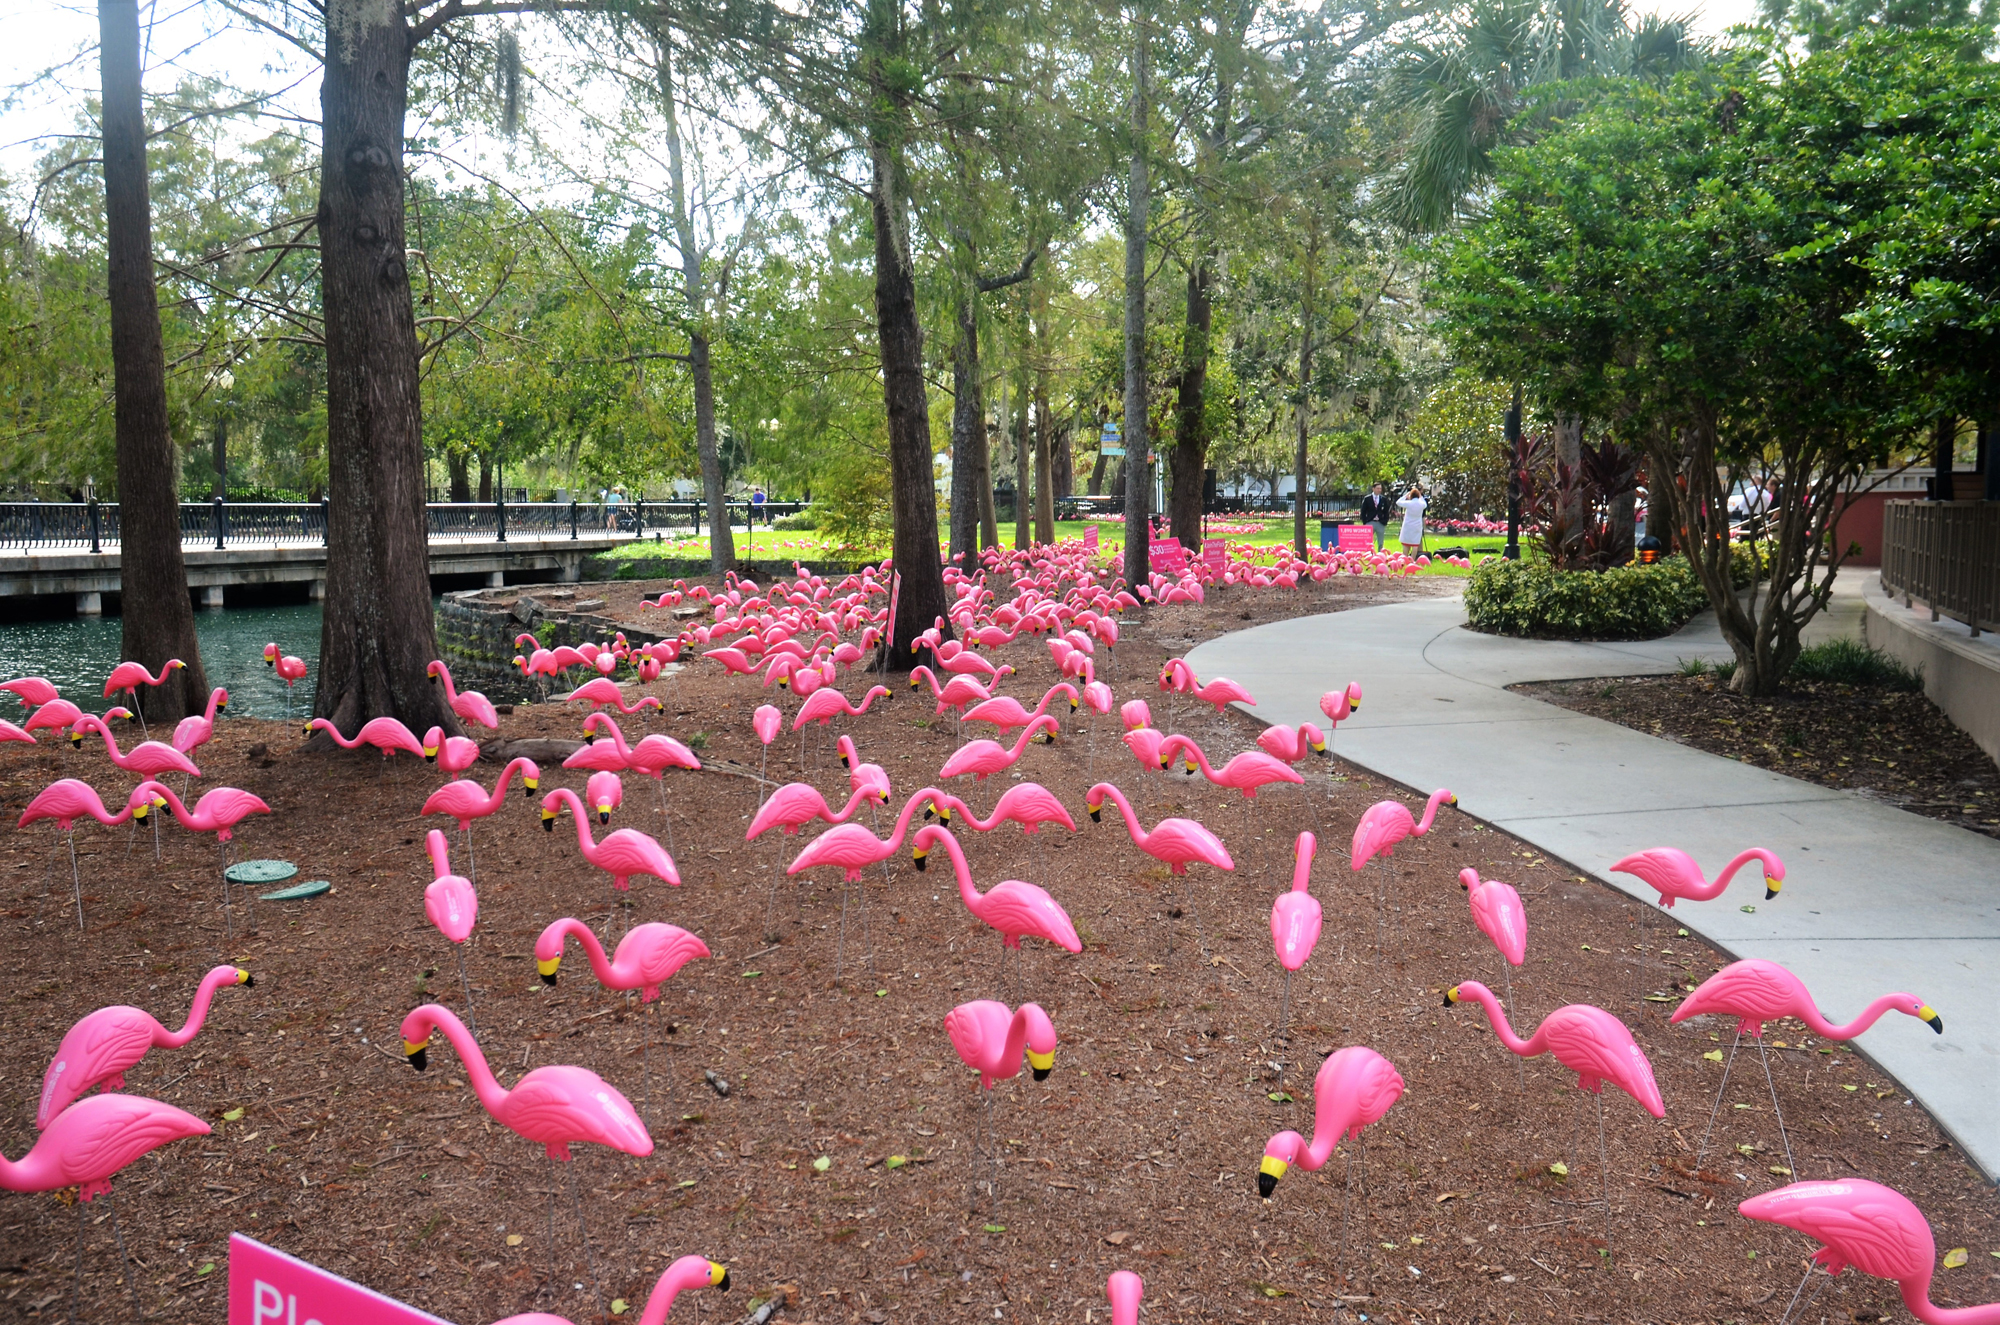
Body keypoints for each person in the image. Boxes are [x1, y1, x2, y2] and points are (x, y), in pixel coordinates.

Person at [1359, 482, 1393, 550]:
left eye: (1380, 488)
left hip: (1380, 523)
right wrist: (1365, 522)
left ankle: (1380, 556)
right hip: (1370, 522)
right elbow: (1363, 511)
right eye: (1377, 488)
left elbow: (1386, 511)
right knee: (1368, 542)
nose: (1379, 490)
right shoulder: (1367, 499)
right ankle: (1369, 554)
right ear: (1373, 489)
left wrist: (1384, 521)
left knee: (1380, 542)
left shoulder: (1383, 499)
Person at [1396, 484, 1427, 555]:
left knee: (1406, 543)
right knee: (1415, 544)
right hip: (1417, 525)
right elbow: (1424, 503)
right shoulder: (1422, 504)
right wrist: (1420, 496)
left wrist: (1405, 496)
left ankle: (1405, 558)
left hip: (1408, 525)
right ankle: (1413, 559)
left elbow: (1398, 502)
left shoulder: (1409, 503)